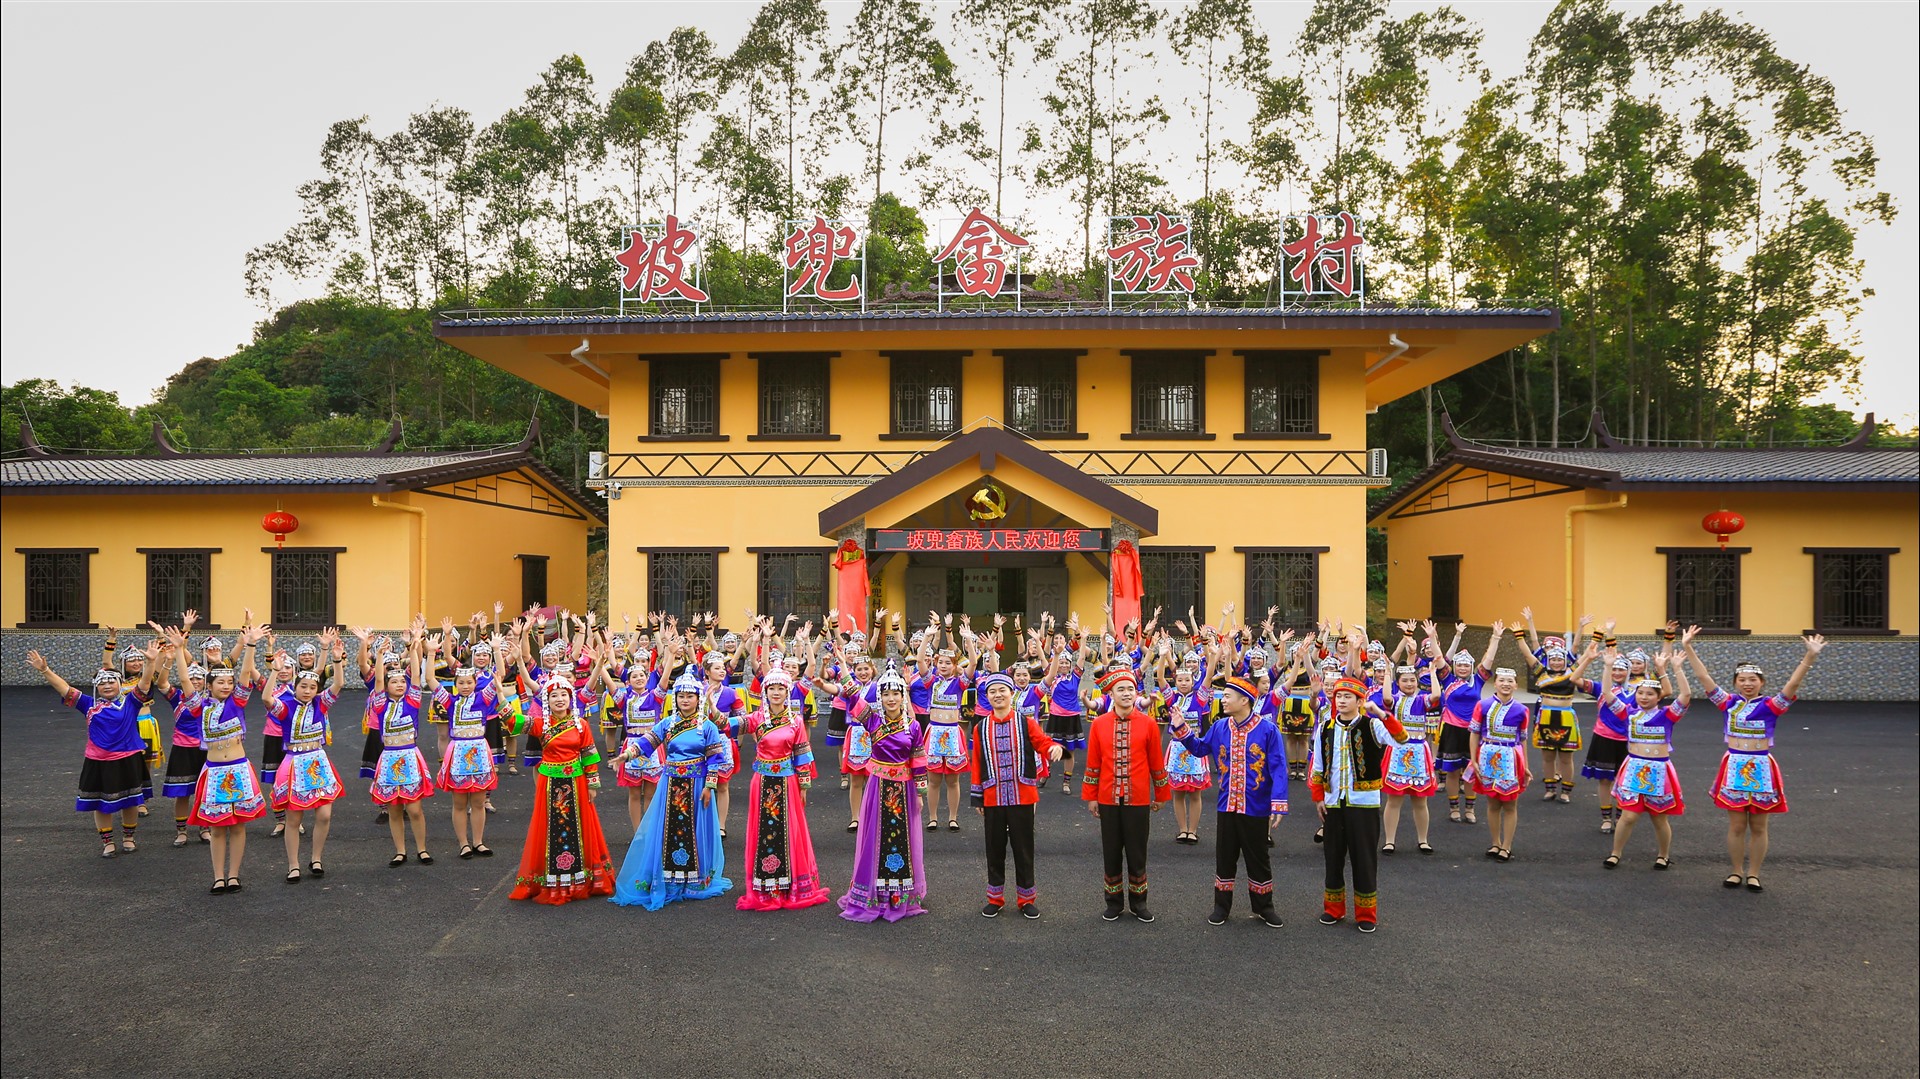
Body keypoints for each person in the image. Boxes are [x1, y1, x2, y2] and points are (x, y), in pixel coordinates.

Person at [1686, 632, 1825, 892]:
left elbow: (1793, 684)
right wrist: (1688, 647)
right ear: (1735, 683)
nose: (1747, 684)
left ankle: (1754, 874)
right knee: (1737, 825)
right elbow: (1704, 677)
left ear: (1762, 682)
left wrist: (1810, 656)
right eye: (1742, 680)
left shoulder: (1772, 706)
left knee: (1759, 826)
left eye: (1753, 680)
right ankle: (1736, 870)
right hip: (1734, 765)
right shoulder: (1728, 703)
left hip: (1761, 767)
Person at [1169, 676, 1287, 927]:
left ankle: (1264, 907)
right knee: (1224, 857)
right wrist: (1181, 728)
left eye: (1227, 696)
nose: (1223, 700)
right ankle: (1221, 907)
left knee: (1258, 858)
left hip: (1256, 807)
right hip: (1226, 805)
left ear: (1244, 700)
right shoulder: (1220, 727)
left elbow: (1278, 767)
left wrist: (1278, 801)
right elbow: (1200, 749)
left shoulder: (1268, 730)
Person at [609, 671, 733, 910]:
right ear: (675, 699)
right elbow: (647, 742)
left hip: (697, 785)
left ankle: (694, 879)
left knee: (694, 830)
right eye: (681, 696)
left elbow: (715, 759)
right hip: (671, 783)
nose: (685, 700)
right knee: (669, 828)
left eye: (690, 696)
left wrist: (709, 786)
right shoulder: (668, 723)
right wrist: (625, 756)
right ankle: (668, 875)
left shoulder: (707, 727)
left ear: (698, 699)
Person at [164, 623, 268, 892]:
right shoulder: (199, 706)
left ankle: (234, 875)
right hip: (214, 771)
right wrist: (179, 649)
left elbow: (245, 672)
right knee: (218, 827)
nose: (226, 685)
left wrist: (251, 644)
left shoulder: (238, 702)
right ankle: (218, 877)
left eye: (229, 682)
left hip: (238, 769)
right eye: (220, 682)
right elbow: (185, 680)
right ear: (209, 685)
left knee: (238, 826)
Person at [26, 644, 157, 857]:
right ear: (96, 687)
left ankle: (128, 837)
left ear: (120, 683)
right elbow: (65, 689)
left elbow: (144, 683)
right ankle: (107, 842)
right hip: (99, 761)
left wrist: (150, 663)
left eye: (111, 681)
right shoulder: (89, 705)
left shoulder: (131, 702)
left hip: (128, 759)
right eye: (102, 683)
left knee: (130, 801)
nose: (107, 685)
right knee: (100, 803)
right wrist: (45, 670)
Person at [1308, 674, 1408, 932]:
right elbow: (1318, 766)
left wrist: (1382, 713)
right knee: (1333, 857)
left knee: (1364, 858)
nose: (1341, 701)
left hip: (1364, 804)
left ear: (1360, 701)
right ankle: (1334, 909)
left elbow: (1401, 738)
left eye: (1347, 697)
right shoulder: (1325, 728)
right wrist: (1318, 798)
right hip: (1334, 802)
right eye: (1338, 696)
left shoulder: (1372, 725)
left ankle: (1366, 914)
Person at [509, 673, 617, 905]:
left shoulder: (581, 725)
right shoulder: (541, 724)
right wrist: (500, 691)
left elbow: (588, 754)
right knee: (551, 828)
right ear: (547, 701)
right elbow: (512, 721)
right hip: (550, 784)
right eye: (554, 696)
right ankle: (552, 878)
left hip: (576, 783)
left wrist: (592, 783)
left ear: (571, 699)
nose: (559, 699)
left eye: (563, 695)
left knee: (579, 826)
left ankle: (580, 876)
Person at [839, 664, 931, 922]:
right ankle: (875, 893)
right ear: (880, 697)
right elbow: (852, 695)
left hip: (904, 789)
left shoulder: (912, 726)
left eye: (896, 694)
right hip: (878, 787)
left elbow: (918, 760)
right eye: (886, 694)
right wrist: (843, 665)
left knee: (901, 839)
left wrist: (920, 792)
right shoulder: (873, 720)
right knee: (876, 837)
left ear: (903, 696)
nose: (891, 699)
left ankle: (898, 893)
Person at [735, 667, 832, 911]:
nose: (776, 693)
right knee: (764, 830)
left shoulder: (795, 721)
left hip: (787, 781)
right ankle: (766, 883)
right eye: (772, 689)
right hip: (762, 781)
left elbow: (802, 754)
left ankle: (789, 883)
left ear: (787, 692)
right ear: (765, 692)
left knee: (788, 830)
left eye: (781, 689)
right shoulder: (757, 718)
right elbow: (728, 725)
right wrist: (712, 707)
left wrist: (804, 785)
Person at [969, 671, 1063, 919]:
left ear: (1011, 694)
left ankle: (1026, 899)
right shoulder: (980, 728)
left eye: (1002, 690)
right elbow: (977, 762)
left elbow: (1042, 742)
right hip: (993, 797)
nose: (997, 695)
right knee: (994, 849)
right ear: (987, 696)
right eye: (992, 691)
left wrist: (1054, 747)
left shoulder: (1025, 722)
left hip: (1022, 796)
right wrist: (977, 796)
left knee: (1024, 849)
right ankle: (995, 898)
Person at [1081, 667, 1170, 922]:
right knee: (1111, 851)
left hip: (1138, 798)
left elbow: (1156, 763)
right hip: (1107, 798)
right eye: (1121, 689)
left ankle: (1139, 902)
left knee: (1137, 851)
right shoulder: (1099, 724)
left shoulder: (1148, 723)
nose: (1127, 693)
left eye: (1131, 689)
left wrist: (1161, 794)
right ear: (1111, 694)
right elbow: (1093, 763)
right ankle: (1113, 902)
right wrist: (1091, 796)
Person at [1605, 633, 1696, 871]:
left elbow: (1685, 696)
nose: (1644, 697)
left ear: (1658, 697)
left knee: (1659, 817)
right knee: (1628, 816)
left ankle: (1663, 855)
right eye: (1640, 693)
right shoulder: (1629, 713)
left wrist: (1676, 669)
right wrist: (1607, 667)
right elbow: (1608, 695)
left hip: (1659, 769)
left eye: (1649, 694)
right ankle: (1615, 853)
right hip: (1634, 767)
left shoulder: (1667, 715)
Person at [264, 628, 348, 882]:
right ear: (295, 686)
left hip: (317, 760)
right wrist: (274, 671)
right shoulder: (286, 705)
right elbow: (266, 698)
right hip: (293, 763)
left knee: (324, 814)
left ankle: (316, 858)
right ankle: (293, 865)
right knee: (294, 817)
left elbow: (339, 684)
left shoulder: (321, 703)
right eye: (303, 686)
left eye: (313, 687)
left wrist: (336, 659)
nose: (308, 690)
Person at [431, 632, 508, 860]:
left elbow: (500, 674)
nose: (465, 686)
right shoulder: (450, 701)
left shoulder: (483, 698)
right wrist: (430, 652)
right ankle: (463, 844)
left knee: (478, 801)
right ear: (455, 685)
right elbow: (430, 680)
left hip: (479, 752)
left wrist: (496, 649)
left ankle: (478, 842)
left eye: (469, 682)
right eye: (461, 683)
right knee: (459, 802)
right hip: (458, 753)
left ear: (475, 683)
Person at [368, 638, 436, 867]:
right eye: (394, 682)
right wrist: (379, 655)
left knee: (415, 809)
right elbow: (378, 679)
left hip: (409, 756)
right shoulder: (380, 704)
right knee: (394, 809)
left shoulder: (413, 701)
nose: (399, 684)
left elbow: (416, 675)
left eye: (401, 681)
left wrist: (415, 647)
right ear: (386, 686)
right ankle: (400, 851)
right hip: (389, 758)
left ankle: (422, 849)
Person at [1433, 622, 1503, 826]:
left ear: (1471, 667)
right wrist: (1431, 636)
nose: (1463, 668)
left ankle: (1470, 809)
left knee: (1472, 769)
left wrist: (1496, 637)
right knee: (1453, 771)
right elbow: (1439, 658)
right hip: (1451, 729)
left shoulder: (1478, 680)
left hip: (1473, 730)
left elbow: (1488, 660)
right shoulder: (1447, 679)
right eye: (1459, 665)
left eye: (1466, 665)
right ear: (1454, 666)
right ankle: (1454, 807)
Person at [1467, 667, 1532, 861]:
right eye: (1502, 680)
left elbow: (1523, 740)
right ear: (1494, 683)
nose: (1506, 684)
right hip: (1487, 756)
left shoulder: (1522, 710)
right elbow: (1474, 733)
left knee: (1510, 804)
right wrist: (1473, 759)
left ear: (1516, 685)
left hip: (1510, 758)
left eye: (1510, 681)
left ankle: (1506, 846)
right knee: (1492, 803)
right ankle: (1495, 843)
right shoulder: (1482, 705)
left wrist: (1525, 766)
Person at [1380, 663, 1441, 855]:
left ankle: (1423, 840)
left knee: (1420, 800)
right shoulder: (1395, 700)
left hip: (1418, 752)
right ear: (1398, 683)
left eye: (1412, 680)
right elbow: (1386, 697)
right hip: (1398, 750)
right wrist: (1388, 674)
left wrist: (1433, 673)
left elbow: (1436, 695)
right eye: (1404, 680)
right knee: (1394, 799)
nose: (1409, 684)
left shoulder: (1422, 700)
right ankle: (1389, 841)